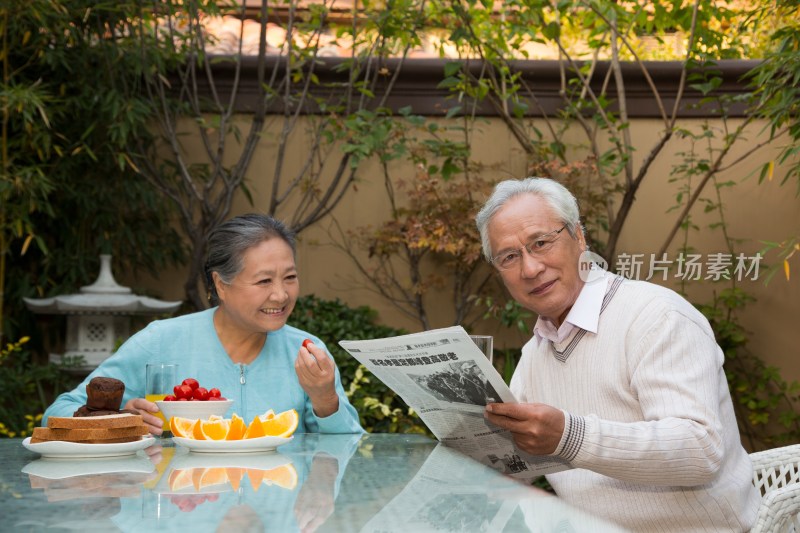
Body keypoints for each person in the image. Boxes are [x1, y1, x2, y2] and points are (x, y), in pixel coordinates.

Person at [476, 177, 760, 532]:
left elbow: (701, 450)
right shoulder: (535, 353)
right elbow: (518, 463)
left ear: (578, 236)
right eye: (509, 256)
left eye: (541, 243)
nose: (530, 269)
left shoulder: (656, 316)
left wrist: (570, 436)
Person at [44, 214, 364, 435]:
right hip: (182, 516)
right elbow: (56, 414)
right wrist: (121, 417)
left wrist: (325, 399)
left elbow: (349, 451)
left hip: (277, 517)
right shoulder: (160, 340)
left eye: (290, 278)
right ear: (220, 285)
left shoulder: (307, 353)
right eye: (264, 280)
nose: (281, 294)